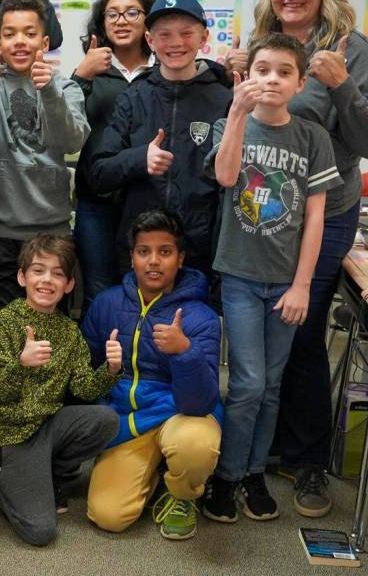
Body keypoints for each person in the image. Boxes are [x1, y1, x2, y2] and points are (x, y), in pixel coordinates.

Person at [225, 0, 368, 517]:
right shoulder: (258, 48)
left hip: (326, 210)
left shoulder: (352, 47)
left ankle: (308, 460)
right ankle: (259, 453)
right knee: (263, 346)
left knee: (301, 332)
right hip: (261, 218)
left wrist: (343, 82)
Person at [201, 33, 342, 523]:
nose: (271, 79)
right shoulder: (230, 123)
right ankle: (227, 476)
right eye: (262, 69)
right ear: (246, 75)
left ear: (301, 83)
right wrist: (237, 113)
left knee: (273, 384)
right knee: (248, 383)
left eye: (284, 72)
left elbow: (316, 219)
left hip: (286, 282)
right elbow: (223, 177)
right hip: (239, 275)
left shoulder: (312, 137)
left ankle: (254, 472)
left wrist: (303, 284)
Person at [82, 210, 222, 541]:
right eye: (144, 251)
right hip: (128, 422)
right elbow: (84, 373)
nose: (154, 261)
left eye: (165, 251)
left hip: (181, 415)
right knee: (108, 516)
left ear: (181, 258)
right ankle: (156, 475)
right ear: (132, 258)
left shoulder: (201, 317)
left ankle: (182, 494)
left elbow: (201, 402)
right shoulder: (106, 304)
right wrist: (107, 375)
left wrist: (184, 350)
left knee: (196, 444)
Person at [0, 234, 120, 546]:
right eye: (38, 271)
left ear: (69, 284)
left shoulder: (69, 331)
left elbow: (83, 388)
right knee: (41, 532)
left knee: (106, 419)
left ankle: (52, 471)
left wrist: (110, 370)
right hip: (11, 434)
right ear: (22, 277)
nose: (47, 280)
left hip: (48, 426)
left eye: (57, 273)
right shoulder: (5, 321)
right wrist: (21, 363)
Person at [86, 0, 231, 278]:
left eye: (186, 34)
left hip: (198, 252)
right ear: (151, 41)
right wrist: (141, 158)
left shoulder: (224, 100)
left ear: (203, 38)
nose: (176, 43)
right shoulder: (134, 97)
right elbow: (100, 172)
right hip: (140, 249)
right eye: (164, 35)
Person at [0, 0, 89, 313]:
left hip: (53, 230)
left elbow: (73, 141)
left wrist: (48, 91)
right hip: (3, 231)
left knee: (53, 324)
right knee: (5, 324)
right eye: (9, 34)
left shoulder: (65, 87)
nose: (19, 41)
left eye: (29, 33)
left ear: (45, 42)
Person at [72, 0, 156, 301]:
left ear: (149, 20)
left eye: (132, 12)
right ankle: (101, 353)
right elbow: (65, 124)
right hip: (96, 200)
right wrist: (81, 76)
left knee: (144, 288)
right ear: (102, 24)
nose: (121, 21)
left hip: (147, 196)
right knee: (98, 288)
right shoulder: (91, 70)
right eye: (112, 14)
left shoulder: (164, 69)